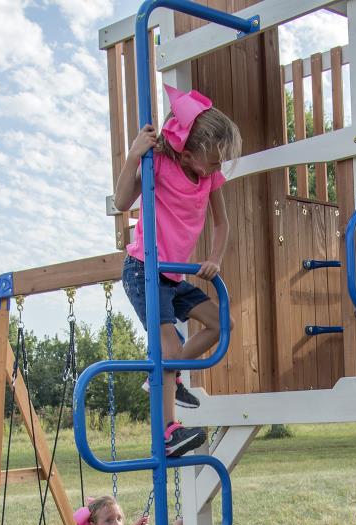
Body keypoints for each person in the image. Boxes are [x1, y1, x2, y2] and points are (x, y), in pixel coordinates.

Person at [114, 84, 242, 458]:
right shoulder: (160, 165)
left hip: (175, 274)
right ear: (188, 152)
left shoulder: (208, 179)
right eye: (214, 160)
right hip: (143, 269)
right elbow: (123, 200)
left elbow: (222, 225)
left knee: (222, 324)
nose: (218, 168)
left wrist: (215, 258)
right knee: (168, 347)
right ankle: (168, 432)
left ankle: (168, 374)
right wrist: (134, 156)